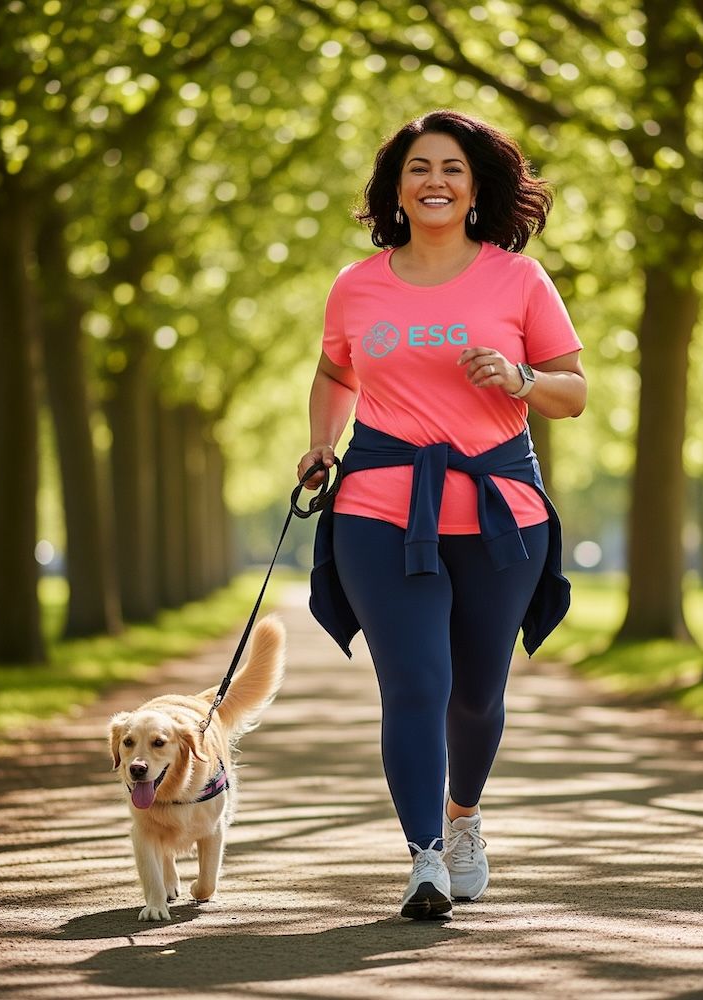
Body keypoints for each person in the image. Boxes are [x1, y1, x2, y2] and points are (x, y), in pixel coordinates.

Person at [297, 110, 586, 921]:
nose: (435, 181)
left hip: (500, 513)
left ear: (475, 187)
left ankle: (463, 818)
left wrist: (520, 377)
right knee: (416, 685)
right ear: (397, 187)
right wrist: (322, 443)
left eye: (452, 168)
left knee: (477, 693)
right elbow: (333, 374)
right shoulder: (358, 284)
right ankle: (424, 858)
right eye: (419, 168)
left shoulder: (519, 281)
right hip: (381, 507)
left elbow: (574, 394)